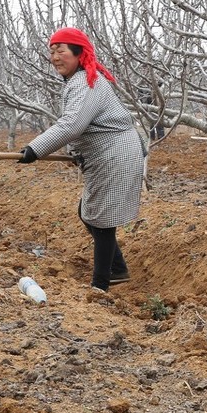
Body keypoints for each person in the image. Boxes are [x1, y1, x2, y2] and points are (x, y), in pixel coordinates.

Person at [18, 27, 145, 298]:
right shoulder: (80, 81)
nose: (55, 57)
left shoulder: (87, 82)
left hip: (115, 153)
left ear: (79, 53)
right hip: (108, 153)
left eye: (61, 50)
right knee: (89, 213)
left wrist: (35, 149)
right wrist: (74, 153)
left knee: (101, 220)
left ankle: (100, 286)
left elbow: (73, 125)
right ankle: (117, 268)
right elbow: (85, 125)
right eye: (51, 51)